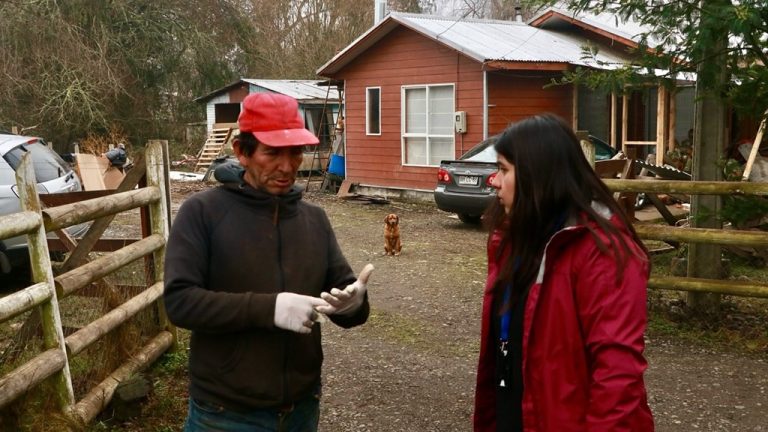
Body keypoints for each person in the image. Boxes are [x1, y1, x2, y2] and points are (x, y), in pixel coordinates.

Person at [164, 92, 373, 432]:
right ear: (241, 152)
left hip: (301, 410)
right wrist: (269, 309)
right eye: (273, 153)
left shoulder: (314, 219)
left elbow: (341, 290)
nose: (287, 166)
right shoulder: (202, 213)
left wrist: (354, 305)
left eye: (295, 152)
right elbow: (180, 302)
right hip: (225, 414)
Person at [473, 114, 654, 431]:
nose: (495, 181)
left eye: (503, 169)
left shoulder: (602, 254)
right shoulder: (516, 239)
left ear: (537, 175)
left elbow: (617, 377)